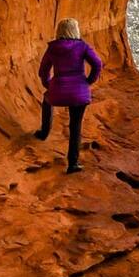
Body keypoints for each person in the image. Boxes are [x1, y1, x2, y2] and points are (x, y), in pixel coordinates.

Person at [35, 18, 103, 173]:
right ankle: (73, 163)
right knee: (75, 126)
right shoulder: (82, 47)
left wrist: (48, 85)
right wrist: (89, 81)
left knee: (47, 100)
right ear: (76, 30)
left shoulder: (53, 48)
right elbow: (97, 63)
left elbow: (43, 70)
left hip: (58, 90)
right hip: (79, 92)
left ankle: (44, 132)